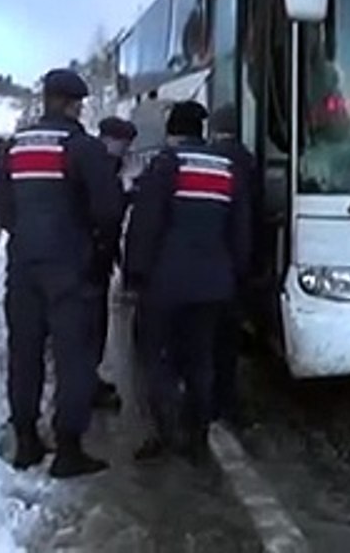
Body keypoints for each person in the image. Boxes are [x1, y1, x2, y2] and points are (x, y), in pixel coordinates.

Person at [0, 68, 124, 477]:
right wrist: (95, 245)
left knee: (24, 353)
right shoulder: (83, 148)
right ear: (73, 104)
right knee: (74, 356)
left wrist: (23, 230)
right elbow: (108, 209)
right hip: (71, 267)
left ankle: (26, 440)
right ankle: (68, 450)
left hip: (23, 265)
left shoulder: (15, 146)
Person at [122, 100, 252, 461]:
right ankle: (197, 434)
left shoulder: (166, 164)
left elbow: (145, 225)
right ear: (201, 131)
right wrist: (236, 275)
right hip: (214, 284)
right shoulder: (226, 168)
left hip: (166, 285)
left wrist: (134, 274)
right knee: (201, 358)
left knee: (156, 357)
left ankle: (165, 431)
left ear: (172, 132)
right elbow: (240, 230)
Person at [207, 104, 258, 427]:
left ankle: (206, 402)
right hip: (233, 264)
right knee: (227, 338)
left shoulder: (211, 159)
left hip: (208, 261)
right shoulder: (247, 160)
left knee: (205, 337)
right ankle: (227, 400)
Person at [87, 116, 137, 411]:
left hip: (96, 257)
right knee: (90, 324)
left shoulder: (107, 164)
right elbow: (105, 210)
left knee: (95, 322)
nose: (127, 150)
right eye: (124, 144)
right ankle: (86, 385)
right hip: (91, 259)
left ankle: (88, 379)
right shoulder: (100, 166)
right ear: (110, 140)